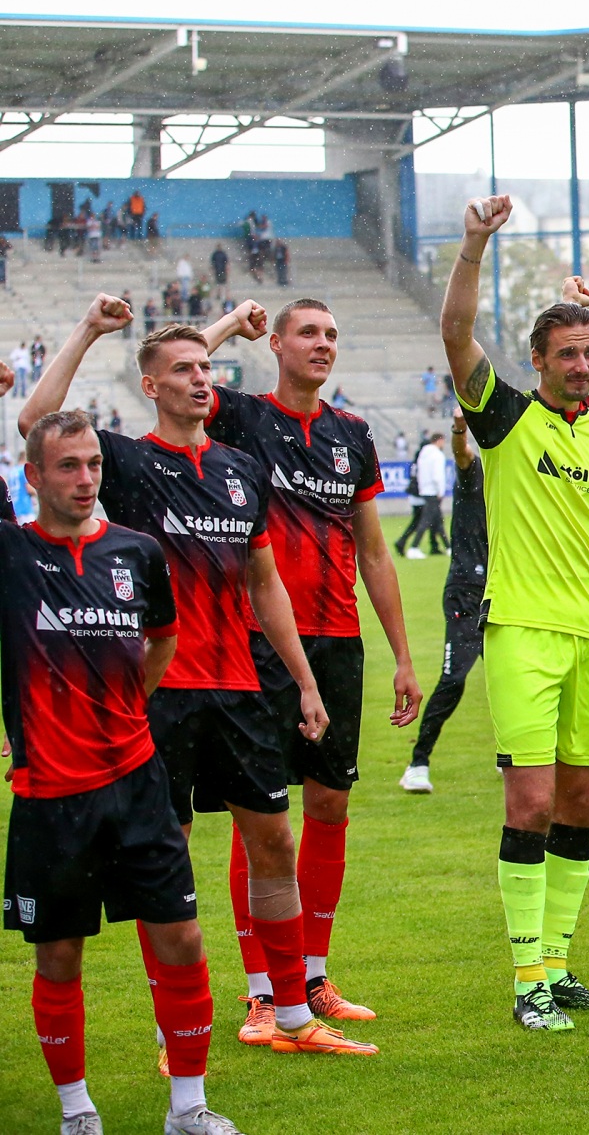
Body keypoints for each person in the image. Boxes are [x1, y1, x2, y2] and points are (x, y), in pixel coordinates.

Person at [17, 298, 371, 1057]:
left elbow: (264, 581)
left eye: (207, 367)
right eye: (183, 370)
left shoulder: (242, 470)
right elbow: (37, 420)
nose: (201, 378)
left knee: (273, 842)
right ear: (151, 387)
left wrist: (305, 682)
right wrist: (87, 330)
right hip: (160, 692)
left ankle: (291, 1015)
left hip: (242, 687)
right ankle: (174, 1024)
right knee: (168, 859)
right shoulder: (130, 464)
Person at [440, 194, 589, 1031]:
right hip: (523, 632)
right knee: (526, 805)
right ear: (537, 359)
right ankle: (527, 978)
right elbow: (457, 335)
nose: (581, 365)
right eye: (567, 353)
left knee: (581, 806)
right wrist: (473, 245)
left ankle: (560, 968)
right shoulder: (505, 417)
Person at [4, 410, 247, 1135]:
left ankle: (189, 1108)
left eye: (93, 465)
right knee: (58, 955)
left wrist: (118, 711)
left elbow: (163, 641)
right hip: (49, 796)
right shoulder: (10, 557)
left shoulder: (137, 552)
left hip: (139, 784)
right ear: (34, 476)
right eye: (69, 467)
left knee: (183, 939)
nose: (86, 480)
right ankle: (77, 1112)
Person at [195, 296, 423, 1026]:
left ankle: (315, 977)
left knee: (329, 805)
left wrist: (403, 656)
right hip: (258, 644)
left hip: (338, 642)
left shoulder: (351, 434)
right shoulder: (240, 417)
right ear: (279, 345)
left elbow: (376, 552)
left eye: (332, 334)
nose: (324, 344)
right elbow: (177, 369)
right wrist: (231, 322)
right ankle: (264, 990)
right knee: (260, 819)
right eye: (309, 333)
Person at [403, 409, 488, 793]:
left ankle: (513, 756)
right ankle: (418, 763)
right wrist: (458, 428)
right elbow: (462, 453)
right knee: (454, 680)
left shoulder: (523, 483)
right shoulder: (476, 474)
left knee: (512, 682)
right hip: (466, 595)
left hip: (505, 595)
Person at [397, 432, 450, 557]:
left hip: (425, 490)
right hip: (433, 491)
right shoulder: (437, 455)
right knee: (426, 520)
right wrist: (440, 491)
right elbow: (438, 476)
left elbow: (419, 474)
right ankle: (414, 547)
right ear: (439, 440)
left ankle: (447, 547)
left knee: (436, 520)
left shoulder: (422, 455)